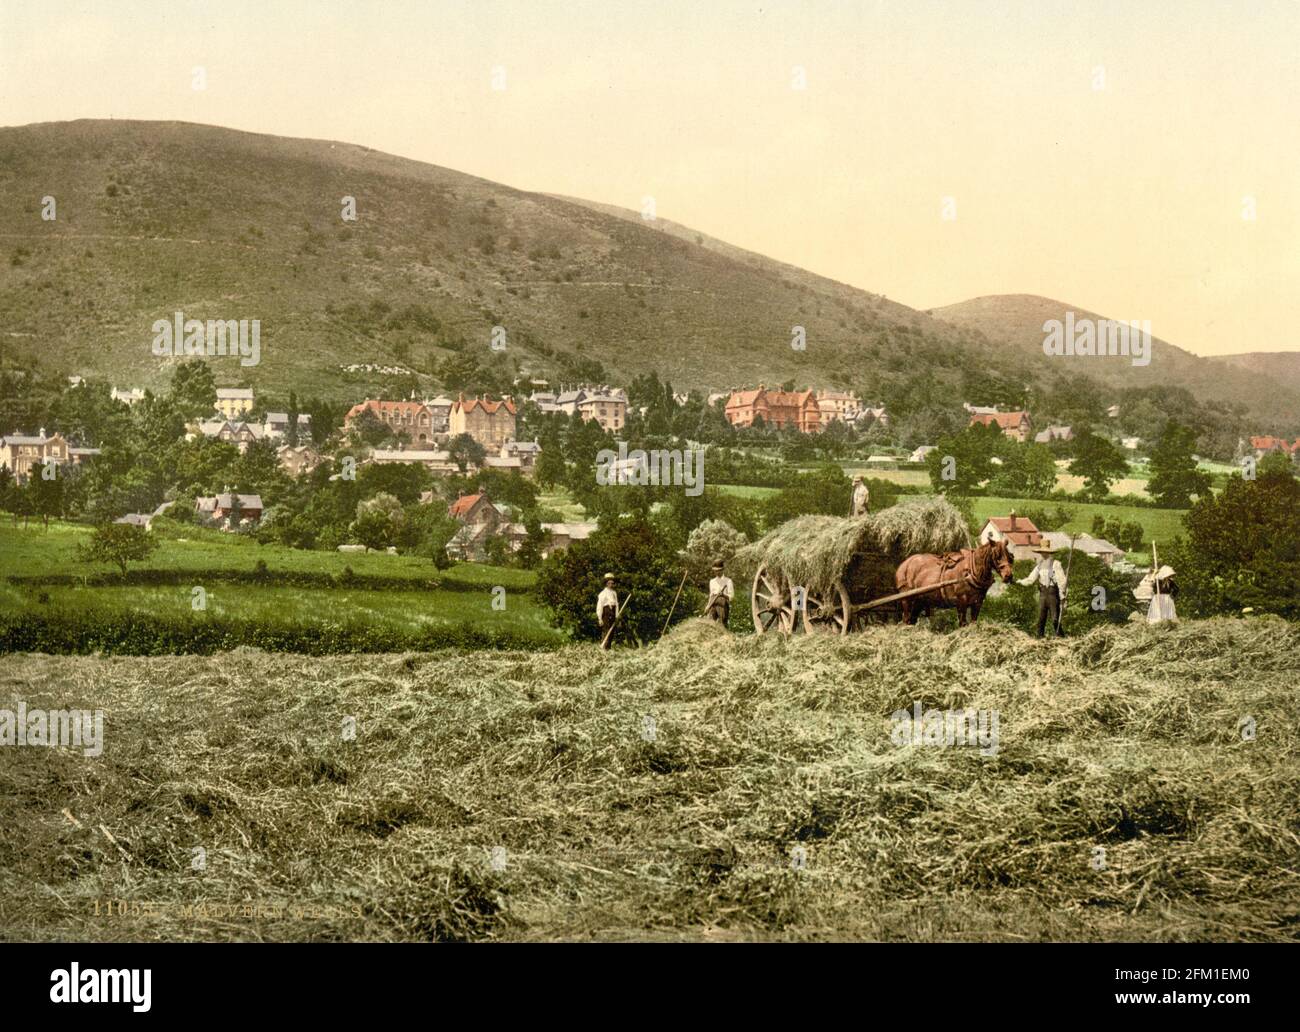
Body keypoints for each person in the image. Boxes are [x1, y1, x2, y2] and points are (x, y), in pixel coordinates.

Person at [1019, 543, 1067, 637]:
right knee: (1040, 619)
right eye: (1042, 552)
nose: (1044, 554)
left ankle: (1061, 638)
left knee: (1055, 619)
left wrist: (1062, 596)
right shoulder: (1039, 565)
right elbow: (1030, 579)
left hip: (1053, 594)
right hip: (1043, 595)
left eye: (1046, 552)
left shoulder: (1056, 564)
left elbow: (1062, 581)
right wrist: (1019, 582)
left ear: (1050, 553)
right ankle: (1040, 639)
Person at [704, 560, 734, 626]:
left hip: (723, 604)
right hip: (713, 603)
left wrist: (723, 595)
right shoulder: (712, 581)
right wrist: (708, 606)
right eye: (715, 571)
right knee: (710, 623)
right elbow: (711, 595)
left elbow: (731, 597)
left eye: (718, 570)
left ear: (722, 570)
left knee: (722, 624)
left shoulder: (728, 581)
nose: (717, 572)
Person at [597, 573, 619, 648]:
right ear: (606, 583)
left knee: (612, 631)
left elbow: (616, 604)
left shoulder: (614, 593)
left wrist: (617, 615)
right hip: (606, 612)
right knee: (606, 630)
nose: (611, 584)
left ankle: (608, 648)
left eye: (612, 583)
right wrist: (600, 618)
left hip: (613, 612)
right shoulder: (602, 593)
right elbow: (599, 606)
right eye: (609, 583)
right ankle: (603, 647)